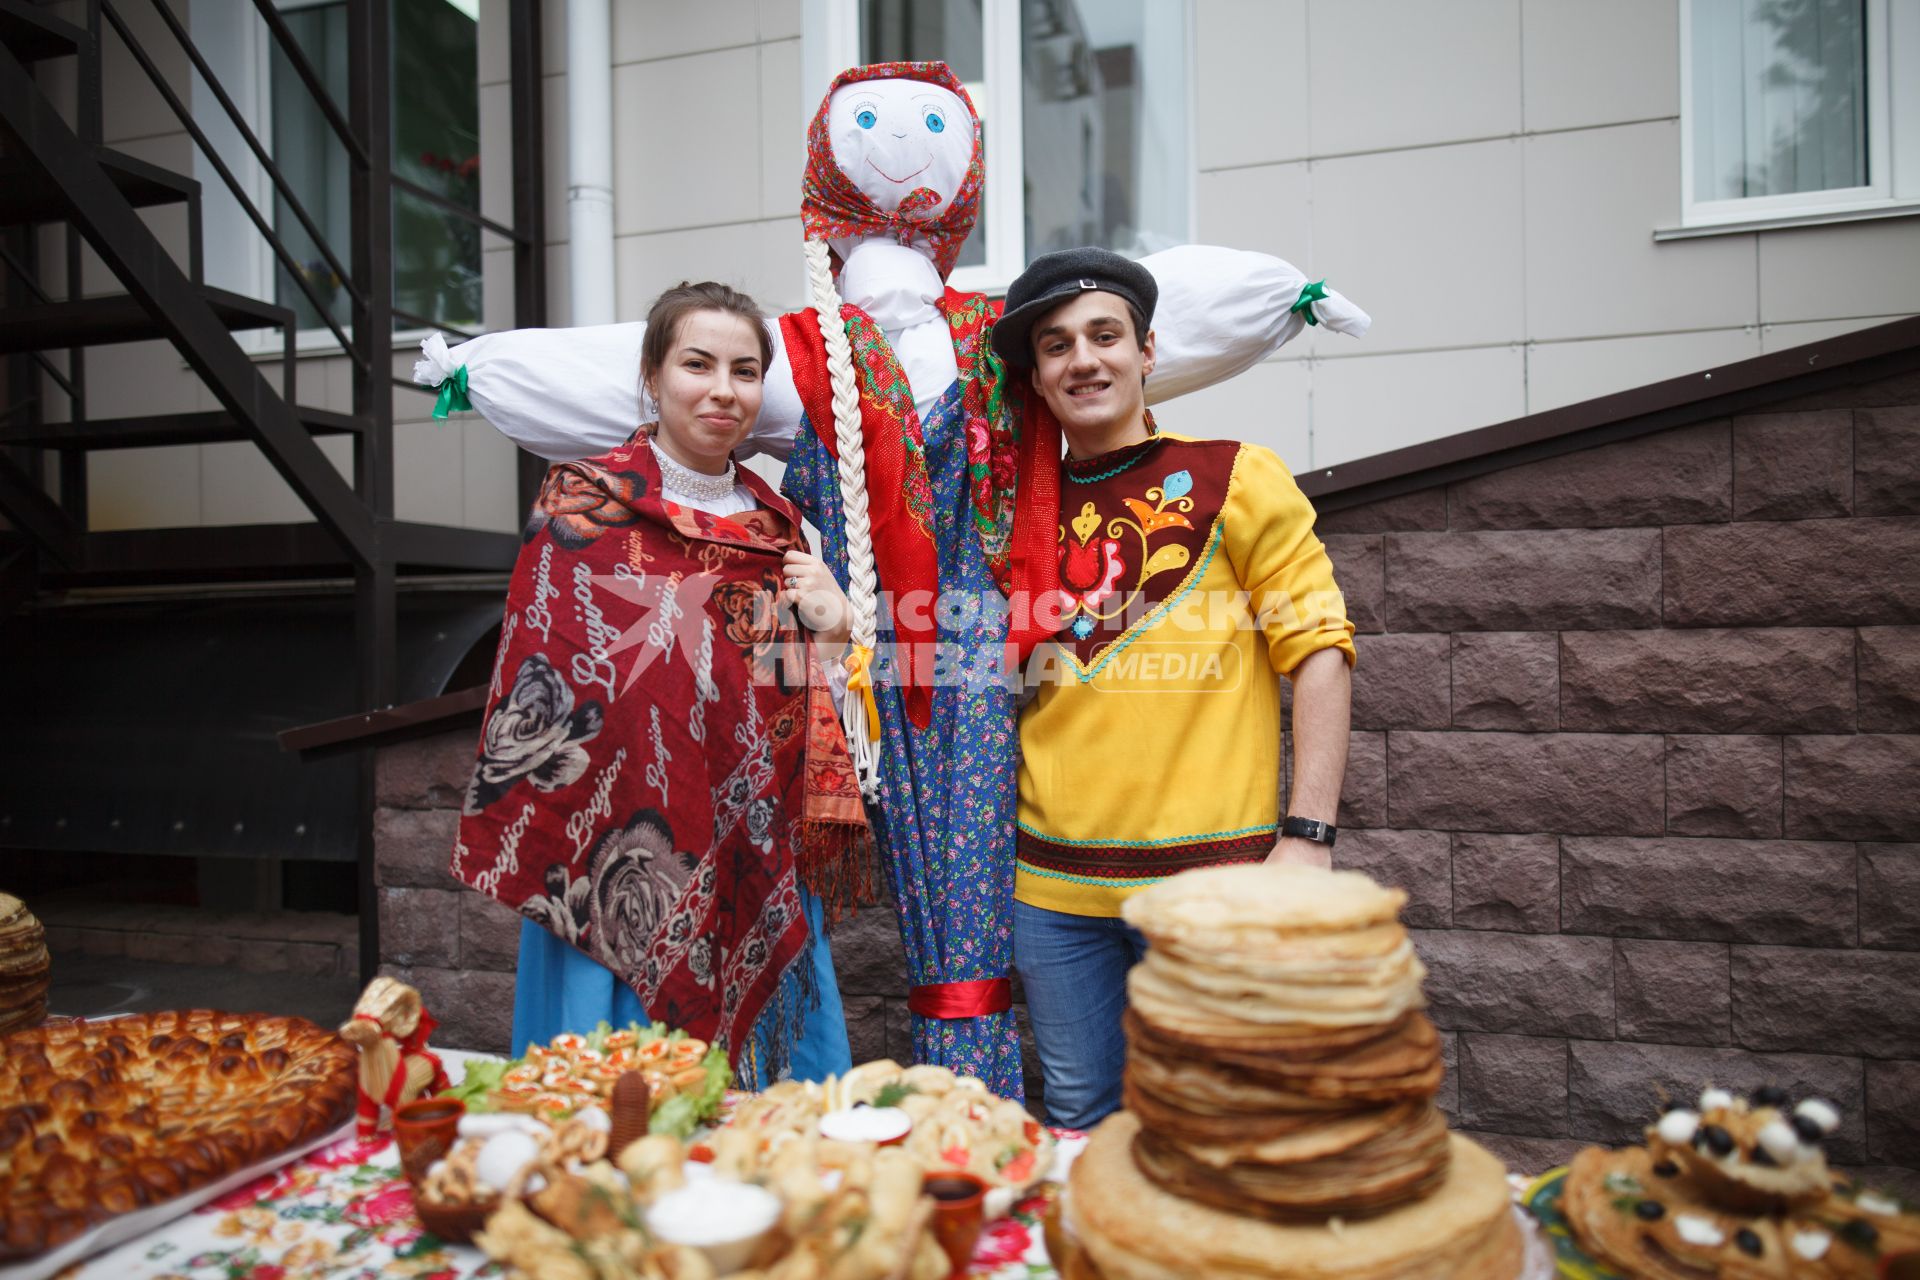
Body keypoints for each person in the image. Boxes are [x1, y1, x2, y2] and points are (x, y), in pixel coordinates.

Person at [451, 281, 867, 1087]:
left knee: (764, 1128)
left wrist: (836, 626)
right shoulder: (584, 503)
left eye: (746, 371)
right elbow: (549, 672)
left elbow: (790, 687)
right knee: (611, 1106)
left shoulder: (776, 527)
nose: (724, 390)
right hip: (614, 834)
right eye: (698, 363)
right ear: (653, 375)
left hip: (754, 836)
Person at [989, 248, 1358, 1129]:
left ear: (1146, 352)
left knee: (1222, 1124)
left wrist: (1308, 839)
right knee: (1081, 1116)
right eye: (1057, 345)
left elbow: (1319, 651)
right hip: (1052, 894)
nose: (1084, 359)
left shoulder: (1236, 474)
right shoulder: (1004, 515)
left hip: (1215, 884)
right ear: (1036, 378)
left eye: (1104, 335)